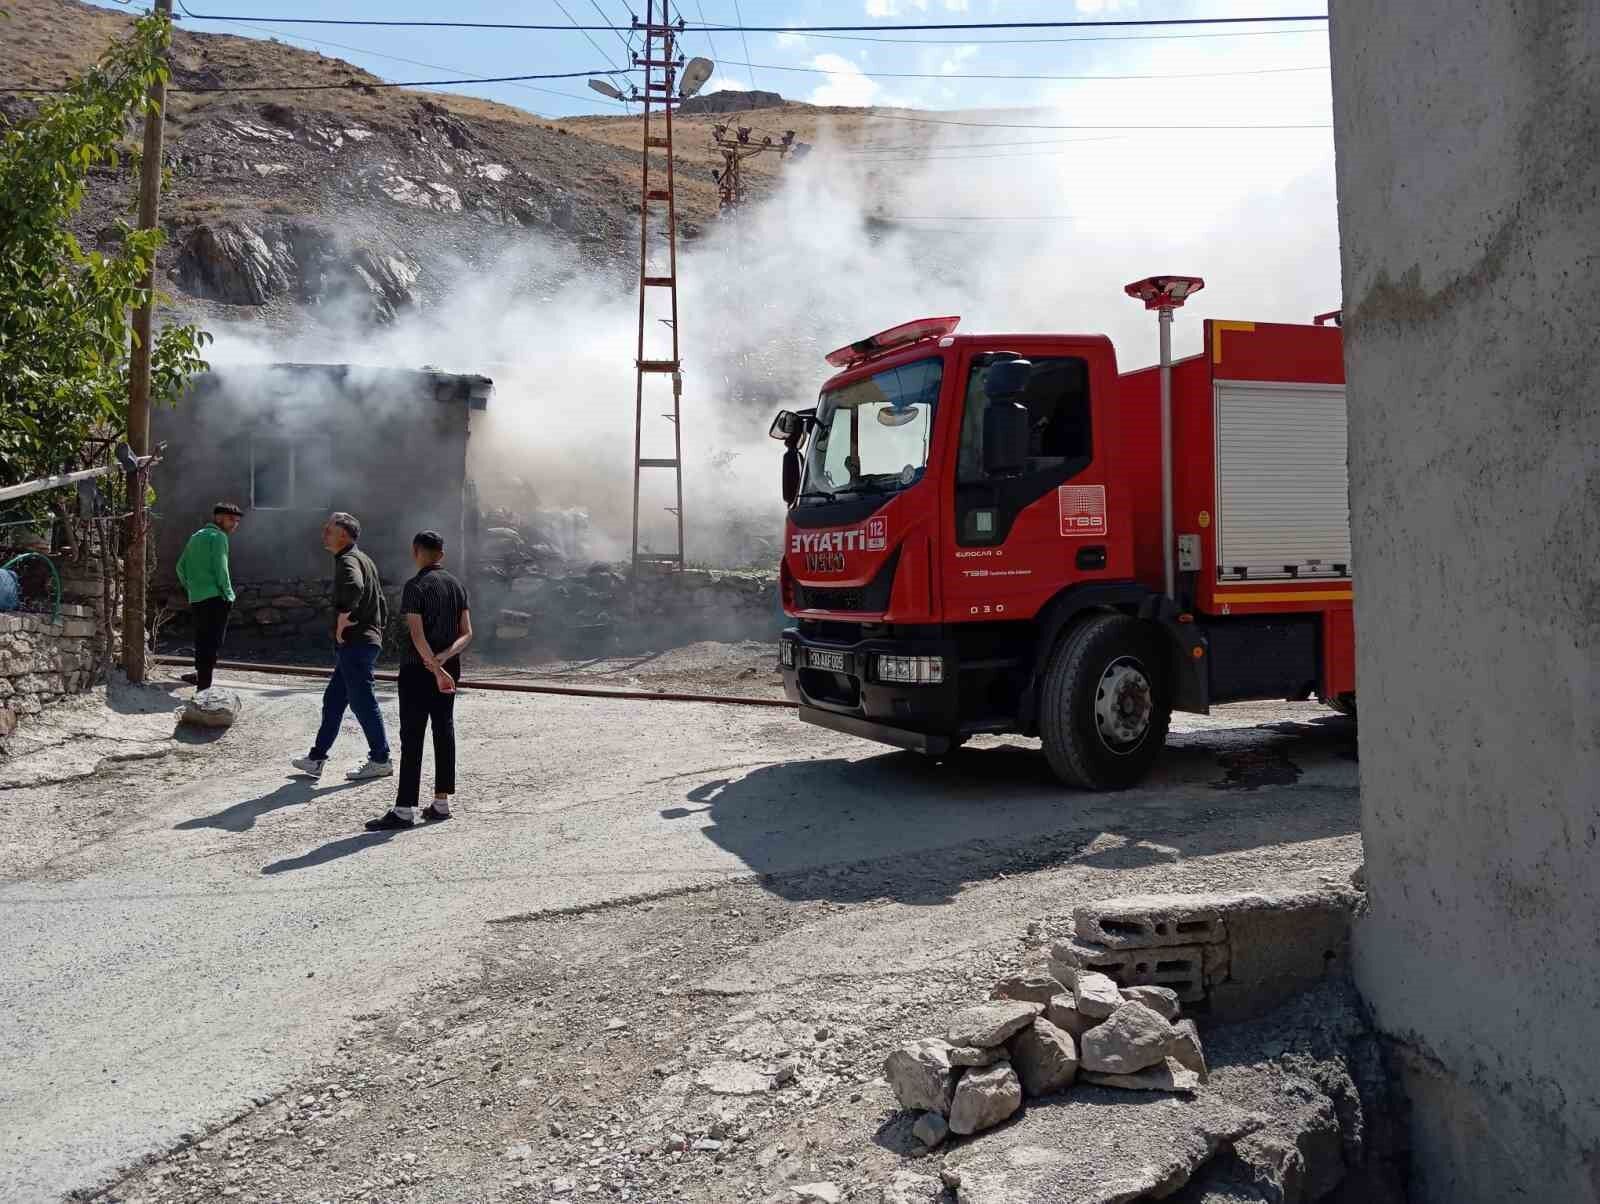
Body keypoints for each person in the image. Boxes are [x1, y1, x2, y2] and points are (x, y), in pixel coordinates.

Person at [365, 530, 472, 831]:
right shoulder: (457, 585)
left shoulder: (415, 586)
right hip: (450, 669)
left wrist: (433, 667)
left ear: (416, 551)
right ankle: (441, 802)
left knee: (413, 735)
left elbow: (416, 634)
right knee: (444, 729)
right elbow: (467, 633)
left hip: (417, 669)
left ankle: (404, 809)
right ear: (442, 554)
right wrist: (444, 660)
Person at [292, 512, 392, 782]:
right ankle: (316, 759)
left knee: (362, 701)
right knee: (334, 700)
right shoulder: (363, 558)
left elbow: (354, 587)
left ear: (344, 535)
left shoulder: (348, 560)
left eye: (330, 529)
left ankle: (381, 759)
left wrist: (343, 619)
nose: (324, 532)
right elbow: (381, 603)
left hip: (357, 643)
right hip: (362, 642)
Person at [175, 503, 243, 691]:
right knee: (213, 641)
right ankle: (204, 687)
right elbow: (221, 568)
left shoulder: (195, 537)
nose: (234, 525)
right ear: (218, 518)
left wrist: (192, 587)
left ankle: (200, 676)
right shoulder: (219, 537)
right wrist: (228, 594)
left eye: (237, 521)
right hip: (216, 598)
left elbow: (180, 567)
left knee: (202, 638)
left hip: (197, 598)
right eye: (231, 520)